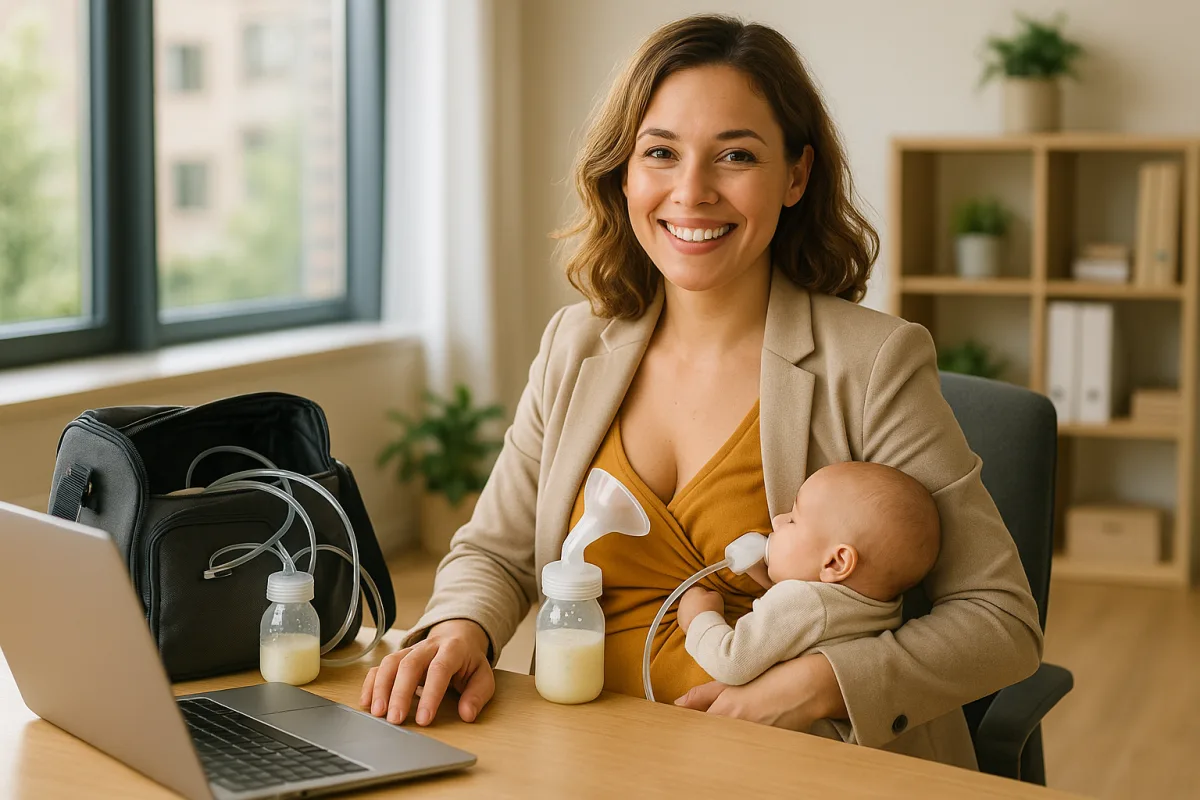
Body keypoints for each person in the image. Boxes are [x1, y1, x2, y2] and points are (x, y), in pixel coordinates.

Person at [361, 14, 1042, 768]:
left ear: (795, 176)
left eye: (736, 156)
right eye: (660, 153)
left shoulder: (874, 361)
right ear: (624, 173)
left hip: (793, 768)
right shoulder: (574, 344)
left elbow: (1001, 618)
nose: (692, 192)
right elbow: (498, 552)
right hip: (581, 755)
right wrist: (464, 628)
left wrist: (821, 685)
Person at [676, 461, 941, 745]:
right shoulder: (883, 604)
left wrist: (699, 619)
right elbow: (815, 629)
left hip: (778, 749)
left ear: (836, 562)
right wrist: (770, 578)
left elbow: (732, 661)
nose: (777, 520)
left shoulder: (801, 600)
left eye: (792, 519)